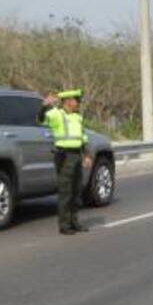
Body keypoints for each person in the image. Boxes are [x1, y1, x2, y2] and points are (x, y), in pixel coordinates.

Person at [39, 88, 91, 235]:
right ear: (68, 101)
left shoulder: (77, 117)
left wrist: (86, 155)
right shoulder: (56, 114)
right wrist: (44, 106)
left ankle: (75, 222)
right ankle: (64, 225)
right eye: (77, 100)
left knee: (76, 191)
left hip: (76, 155)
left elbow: (83, 138)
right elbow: (40, 119)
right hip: (63, 156)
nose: (79, 103)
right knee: (65, 192)